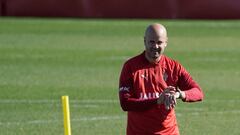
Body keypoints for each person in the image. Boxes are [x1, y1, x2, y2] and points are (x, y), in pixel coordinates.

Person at [118, 23, 204, 135]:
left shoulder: (174, 67)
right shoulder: (130, 67)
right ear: (144, 41)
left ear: (166, 43)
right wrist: (158, 100)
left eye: (159, 42)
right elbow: (126, 103)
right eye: (151, 42)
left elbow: (198, 93)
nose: (155, 46)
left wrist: (179, 94)